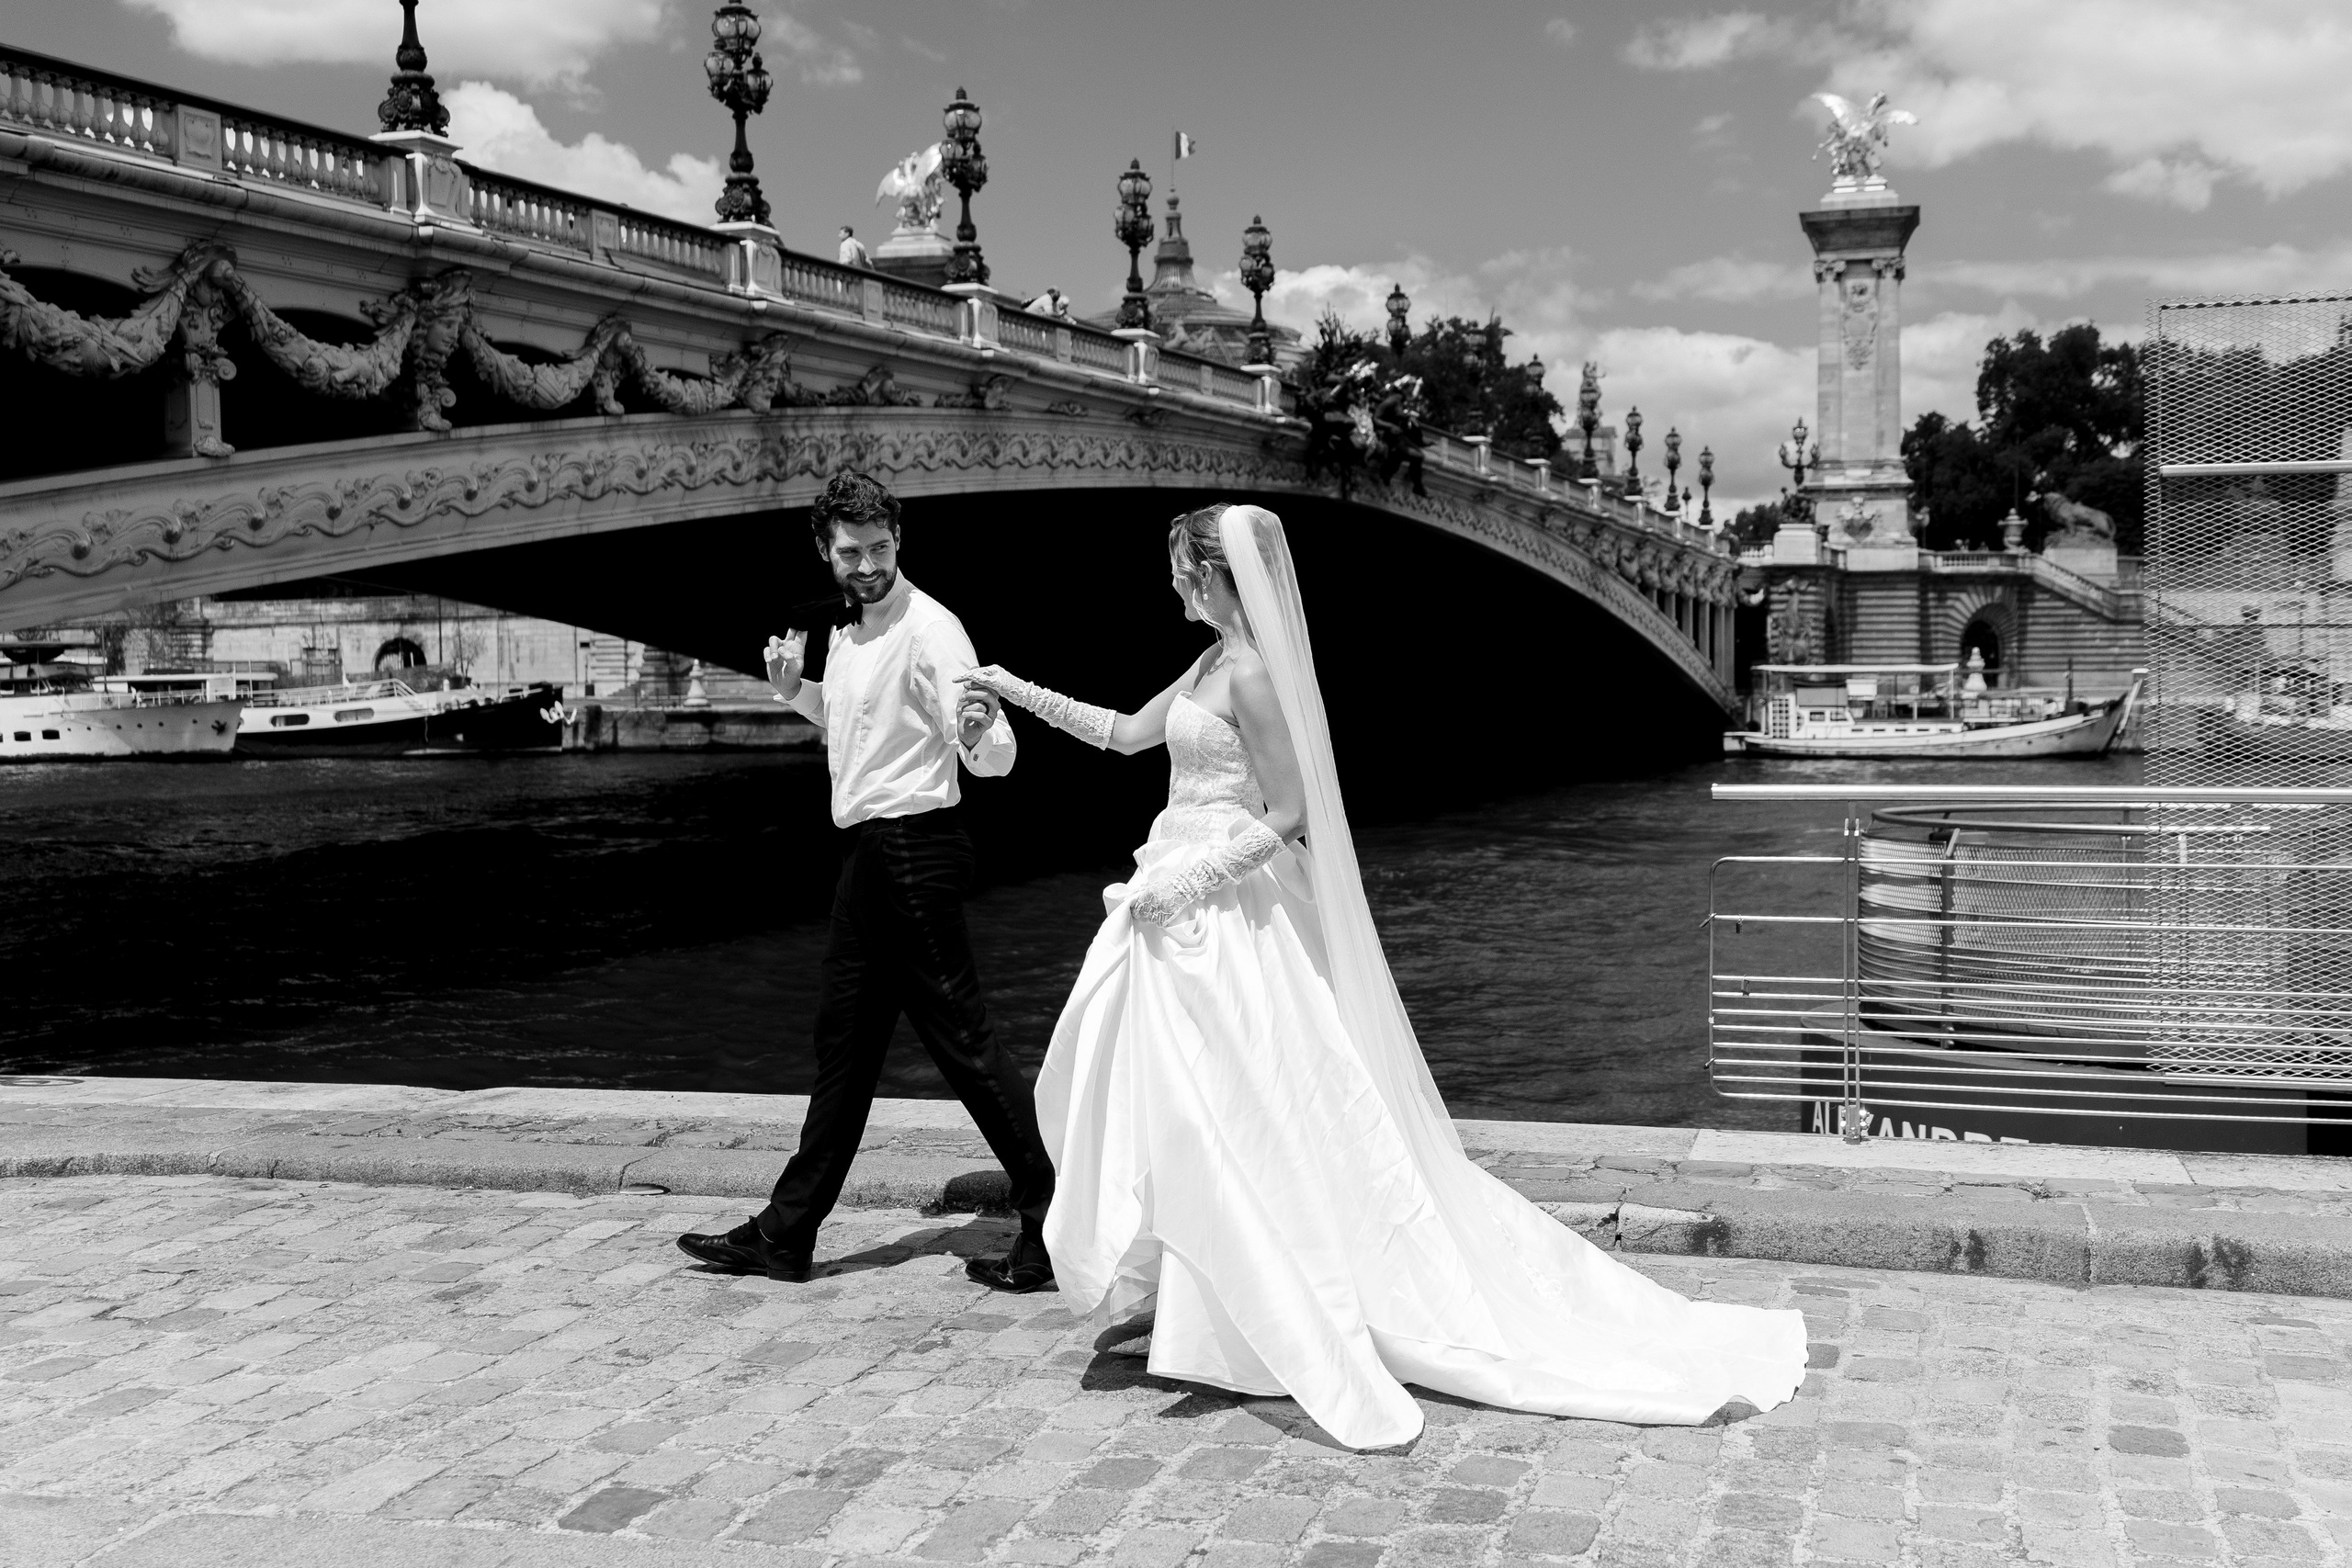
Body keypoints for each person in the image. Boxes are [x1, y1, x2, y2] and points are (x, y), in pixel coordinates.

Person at [963, 502, 1807, 1450]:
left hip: (1223, 912)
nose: (1172, 587)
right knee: (1188, 1110)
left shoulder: (1251, 676)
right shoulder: (1207, 664)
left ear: (1216, 576)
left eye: (1180, 572)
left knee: (1242, 1113)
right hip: (1174, 909)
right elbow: (1123, 737)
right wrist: (1013, 687)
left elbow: (1285, 813)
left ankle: (1263, 1306)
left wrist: (1188, 885)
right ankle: (1200, 1297)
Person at [676, 472, 1057, 1293]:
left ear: (899, 541)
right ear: (827, 550)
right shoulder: (845, 636)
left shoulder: (935, 630)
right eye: (852, 553)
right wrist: (793, 693)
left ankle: (1054, 1220)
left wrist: (980, 730)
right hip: (869, 859)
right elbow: (861, 727)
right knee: (842, 1051)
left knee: (966, 1047)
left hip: (917, 850)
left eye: (882, 549)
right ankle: (786, 1234)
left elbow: (991, 748)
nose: (870, 566)